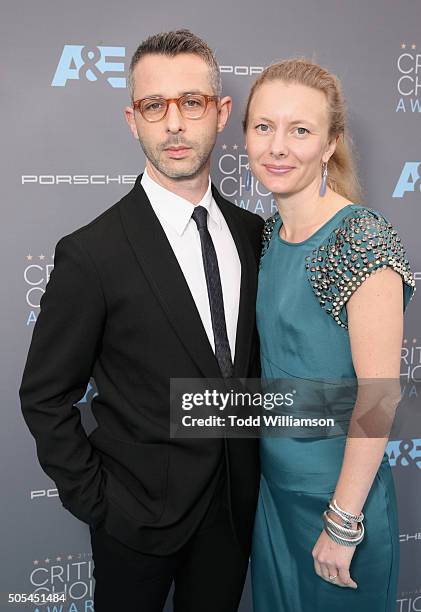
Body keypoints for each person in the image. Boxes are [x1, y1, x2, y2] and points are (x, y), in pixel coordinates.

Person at [19, 29, 264, 612]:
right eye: (155, 105)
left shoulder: (256, 235)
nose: (174, 124)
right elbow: (45, 395)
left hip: (233, 515)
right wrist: (100, 502)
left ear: (221, 112)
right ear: (133, 119)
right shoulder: (91, 253)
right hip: (134, 526)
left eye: (192, 102)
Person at [243, 58, 416, 611]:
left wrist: (342, 524)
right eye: (264, 126)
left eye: (300, 130)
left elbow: (380, 395)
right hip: (273, 500)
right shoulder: (267, 236)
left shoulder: (360, 237)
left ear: (329, 144)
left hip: (339, 507)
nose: (277, 147)